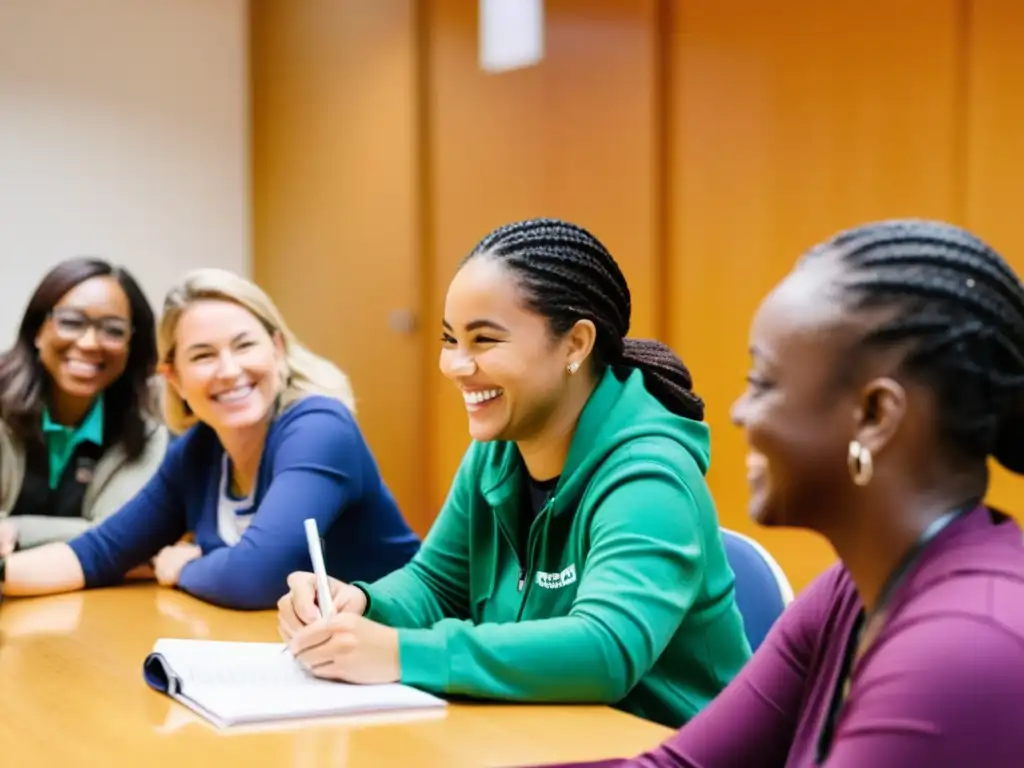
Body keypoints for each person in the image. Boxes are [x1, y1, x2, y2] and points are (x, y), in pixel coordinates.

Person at [528, 218, 1024, 768]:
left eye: (762, 383)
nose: (739, 412)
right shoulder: (851, 591)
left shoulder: (961, 649)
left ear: (875, 415)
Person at [277, 217, 751, 728]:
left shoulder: (650, 476)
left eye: (484, 340)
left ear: (575, 344)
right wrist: (362, 606)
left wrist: (397, 654)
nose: (456, 365)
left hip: (670, 749)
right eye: (449, 339)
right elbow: (436, 584)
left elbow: (606, 648)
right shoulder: (499, 449)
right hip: (542, 736)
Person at [0, 268, 420, 609]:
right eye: (202, 355)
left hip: (399, 655)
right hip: (299, 661)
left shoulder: (318, 426)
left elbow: (257, 576)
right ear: (174, 377)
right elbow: (98, 552)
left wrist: (183, 567)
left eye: (244, 346)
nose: (229, 370)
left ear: (277, 349)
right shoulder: (197, 453)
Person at [0, 257, 167, 556]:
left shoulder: (145, 431)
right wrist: (91, 532)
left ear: (131, 343)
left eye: (113, 330)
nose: (90, 343)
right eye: (71, 322)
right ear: (38, 330)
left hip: (89, 596)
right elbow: (108, 536)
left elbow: (124, 534)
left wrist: (13, 531)